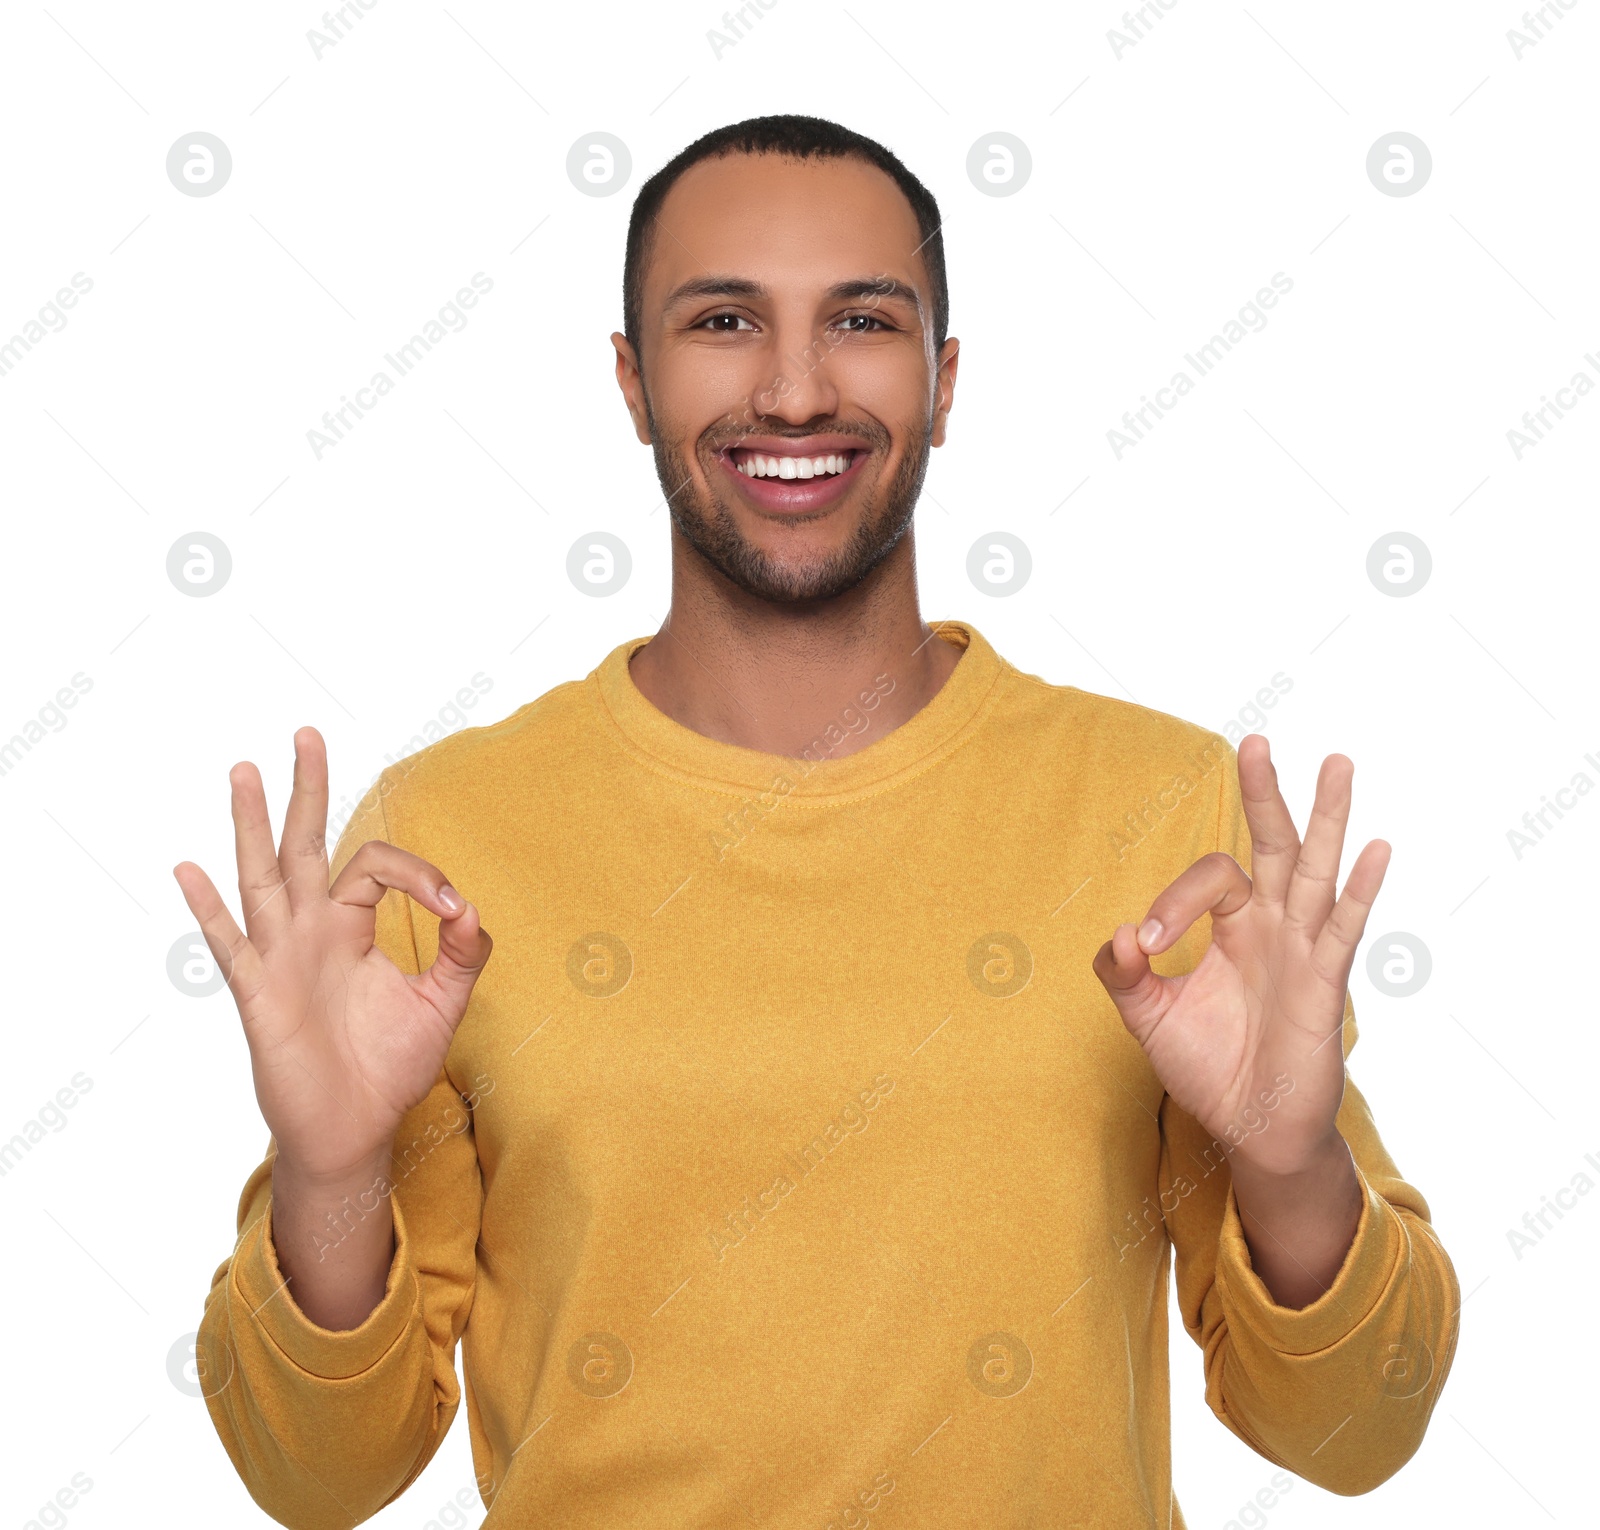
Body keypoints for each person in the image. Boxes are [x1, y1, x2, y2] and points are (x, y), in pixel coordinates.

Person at [179, 115, 1459, 1530]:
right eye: (723, 320)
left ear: (945, 377)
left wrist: (1290, 1161)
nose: (794, 390)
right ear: (631, 378)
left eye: (862, 320)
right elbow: (318, 1477)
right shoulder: (440, 836)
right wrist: (326, 1170)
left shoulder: (1170, 816)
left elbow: (1356, 1435)